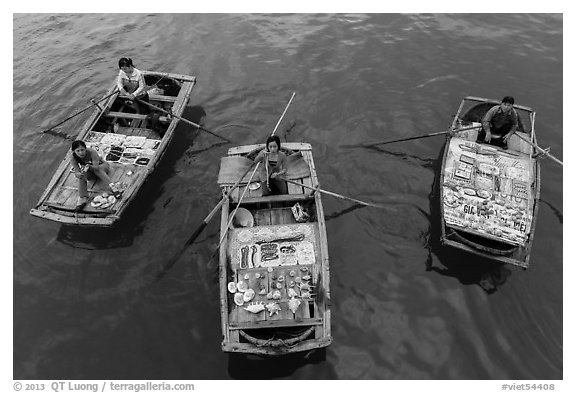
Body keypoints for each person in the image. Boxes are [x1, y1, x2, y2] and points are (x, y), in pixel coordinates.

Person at [71, 140, 119, 210]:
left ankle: (113, 187)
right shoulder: (73, 158)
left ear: (86, 149)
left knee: (97, 170)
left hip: (102, 167)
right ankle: (82, 197)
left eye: (82, 150)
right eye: (78, 151)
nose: (81, 153)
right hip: (90, 172)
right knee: (82, 175)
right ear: (74, 151)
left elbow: (96, 167)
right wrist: (78, 174)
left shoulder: (92, 152)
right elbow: (76, 171)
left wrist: (89, 166)